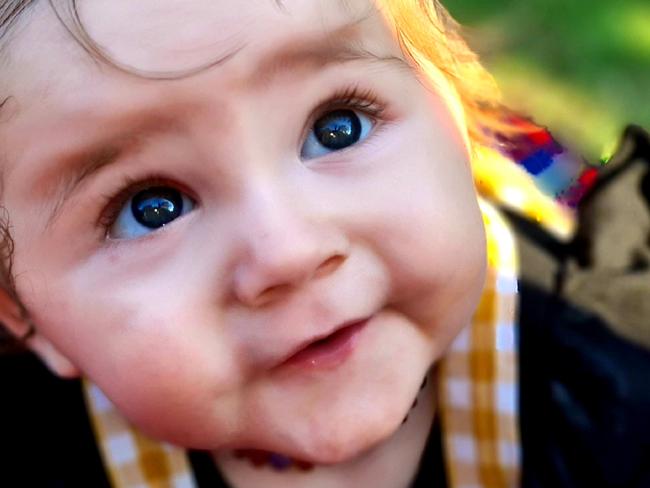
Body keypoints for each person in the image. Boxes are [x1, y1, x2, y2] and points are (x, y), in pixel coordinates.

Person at [0, 1, 648, 487]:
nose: (289, 250)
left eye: (338, 127)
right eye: (151, 208)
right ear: (23, 313)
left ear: (446, 107)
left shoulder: (621, 385)